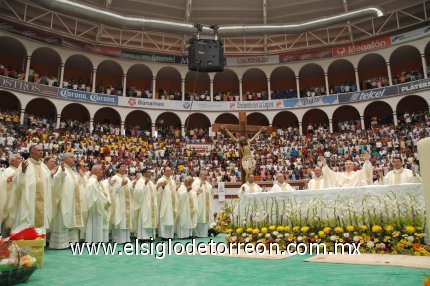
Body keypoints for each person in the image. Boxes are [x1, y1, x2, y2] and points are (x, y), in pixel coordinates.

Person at [13, 144, 54, 233]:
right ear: (31, 152)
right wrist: (23, 172)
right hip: (29, 199)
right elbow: (17, 182)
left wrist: (52, 176)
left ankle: (39, 245)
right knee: (28, 221)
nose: (41, 152)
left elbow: (49, 183)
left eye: (42, 150)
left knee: (40, 225)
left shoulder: (44, 166)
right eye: (38, 150)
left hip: (42, 200)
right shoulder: (25, 164)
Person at [49, 153, 84, 249]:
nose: (74, 159)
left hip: (72, 201)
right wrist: (61, 172)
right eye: (71, 157)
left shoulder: (72, 172)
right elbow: (54, 183)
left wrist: (81, 177)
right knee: (63, 219)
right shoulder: (60, 169)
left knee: (71, 220)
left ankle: (71, 241)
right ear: (65, 159)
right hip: (63, 200)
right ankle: (60, 244)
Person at [85, 165, 111, 243]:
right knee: (96, 223)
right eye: (99, 170)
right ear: (94, 171)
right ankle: (94, 241)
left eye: (101, 170)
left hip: (99, 204)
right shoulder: (92, 180)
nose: (101, 171)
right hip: (95, 206)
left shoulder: (96, 180)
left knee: (99, 223)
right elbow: (93, 192)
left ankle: (98, 240)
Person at [109, 163, 133, 243]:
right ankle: (118, 239)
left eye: (125, 166)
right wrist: (121, 185)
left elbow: (131, 190)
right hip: (119, 203)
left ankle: (126, 239)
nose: (124, 168)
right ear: (118, 168)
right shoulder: (114, 178)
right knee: (120, 220)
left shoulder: (127, 178)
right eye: (122, 166)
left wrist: (134, 185)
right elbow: (112, 190)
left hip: (127, 203)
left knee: (126, 221)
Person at [133, 168, 158, 241]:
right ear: (144, 173)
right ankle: (143, 237)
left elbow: (154, 193)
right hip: (144, 204)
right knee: (144, 220)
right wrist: (144, 184)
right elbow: (137, 192)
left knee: (150, 220)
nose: (150, 174)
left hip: (151, 205)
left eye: (150, 172)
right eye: (148, 172)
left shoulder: (150, 182)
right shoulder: (141, 181)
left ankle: (150, 236)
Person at [156, 167, 177, 240]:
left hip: (172, 202)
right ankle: (164, 235)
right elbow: (157, 192)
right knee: (165, 217)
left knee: (170, 218)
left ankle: (170, 235)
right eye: (167, 171)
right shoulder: (161, 180)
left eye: (170, 171)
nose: (169, 172)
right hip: (164, 202)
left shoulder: (172, 181)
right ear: (164, 172)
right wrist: (162, 187)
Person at [191, 170, 214, 238]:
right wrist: (198, 190)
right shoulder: (196, 182)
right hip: (199, 204)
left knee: (204, 218)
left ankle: (205, 233)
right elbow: (193, 191)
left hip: (205, 205)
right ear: (201, 175)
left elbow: (210, 191)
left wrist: (212, 187)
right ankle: (197, 234)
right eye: (205, 175)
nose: (206, 176)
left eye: (206, 175)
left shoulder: (206, 183)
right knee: (199, 217)